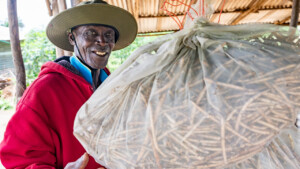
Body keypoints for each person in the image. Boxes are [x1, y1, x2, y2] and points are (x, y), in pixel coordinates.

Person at [0, 0, 137, 168]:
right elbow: (19, 161)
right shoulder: (44, 90)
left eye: (109, 35)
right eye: (90, 33)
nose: (102, 41)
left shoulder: (116, 88)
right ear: (72, 38)